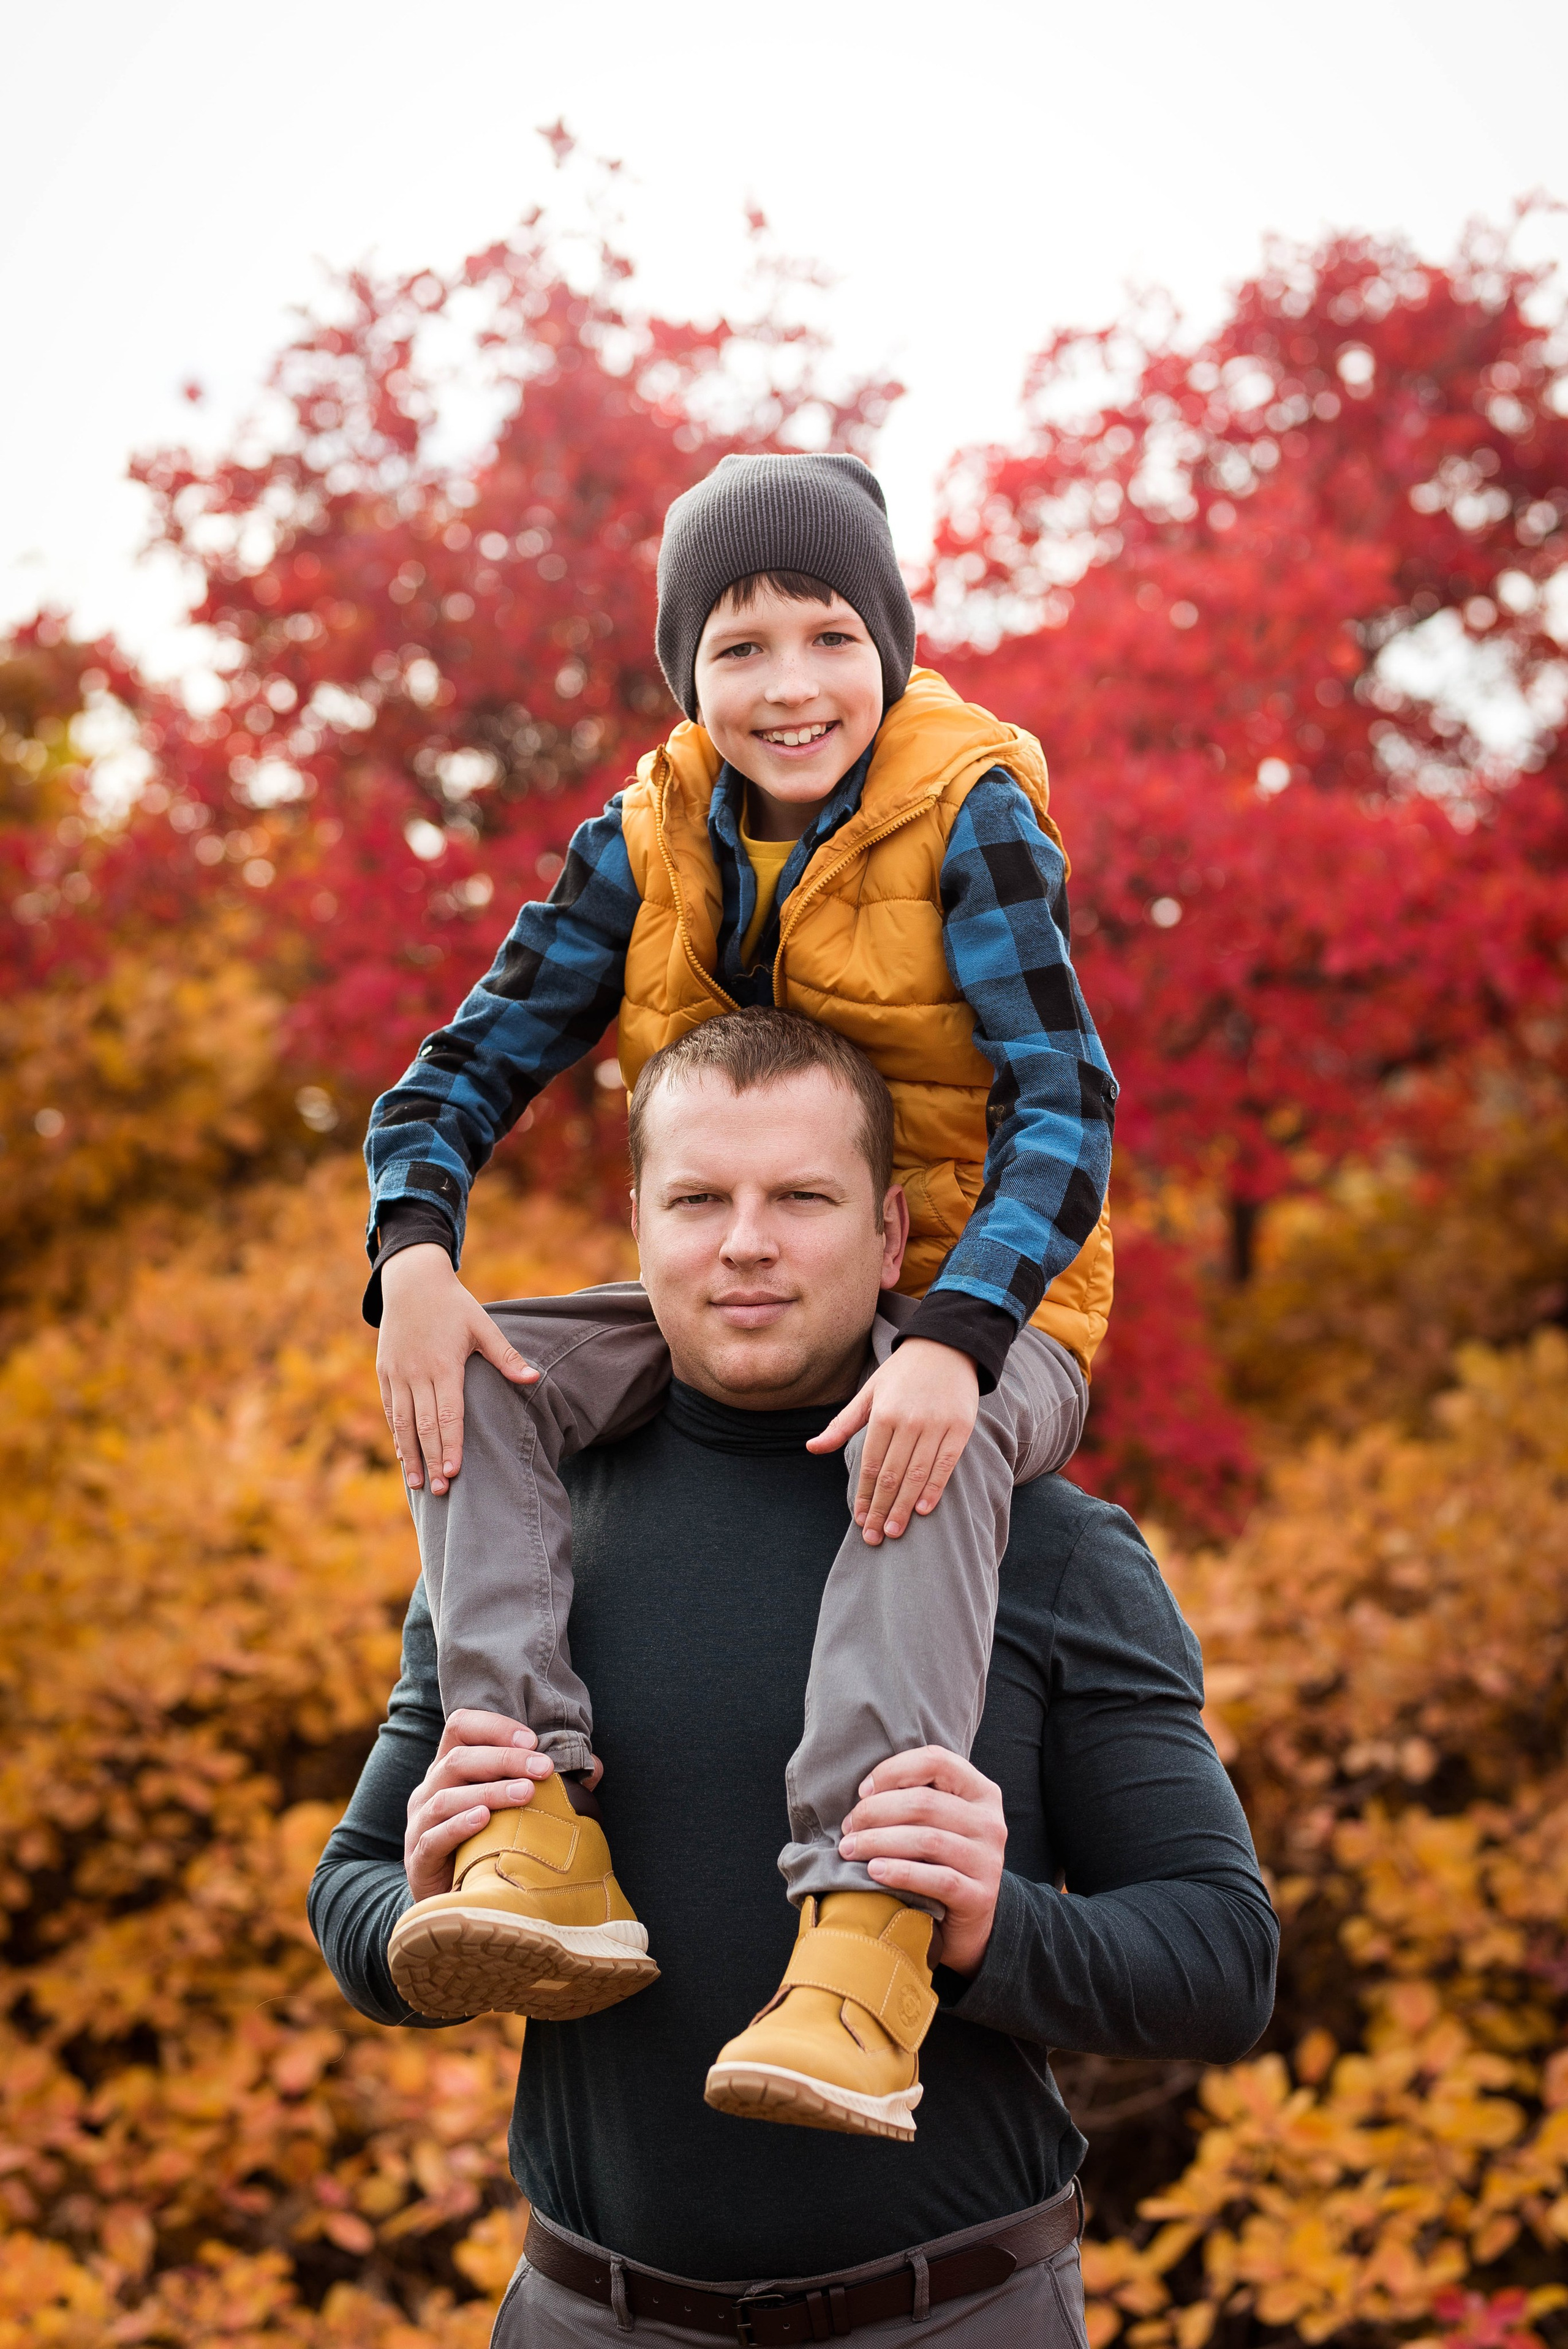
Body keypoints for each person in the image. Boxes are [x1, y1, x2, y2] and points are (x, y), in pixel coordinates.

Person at [311, 1018, 1276, 2345]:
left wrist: (991, 1924)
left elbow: (1221, 1960)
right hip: (586, 2317)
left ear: (888, 1234)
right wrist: (418, 1902)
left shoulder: (1047, 1541)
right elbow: (348, 1888)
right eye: (700, 1198)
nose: (744, 1242)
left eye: (799, 1198)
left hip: (949, 2318)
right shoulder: (526, 1532)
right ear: (639, 1219)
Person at [363, 454, 1118, 2104]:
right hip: (756, 1265)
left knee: (935, 1445)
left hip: (997, 1289)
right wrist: (413, 1256)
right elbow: (454, 1074)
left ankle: (863, 1941)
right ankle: (536, 1822)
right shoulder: (644, 837)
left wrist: (963, 1342)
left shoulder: (965, 806)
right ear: (687, 675)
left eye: (831, 635)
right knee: (481, 1370)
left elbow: (1068, 1100)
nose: (791, 686)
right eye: (741, 644)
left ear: (894, 648)